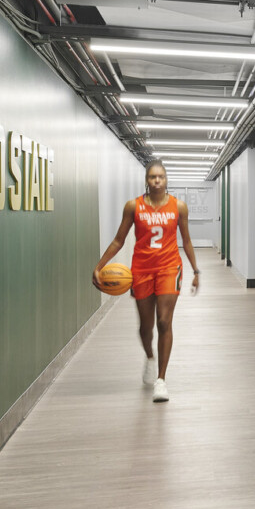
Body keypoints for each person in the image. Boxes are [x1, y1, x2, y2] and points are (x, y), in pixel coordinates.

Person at [92, 161, 200, 402]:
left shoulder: (178, 207)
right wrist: (99, 266)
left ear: (166, 180)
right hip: (140, 270)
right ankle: (150, 357)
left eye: (160, 176)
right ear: (146, 180)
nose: (157, 181)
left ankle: (161, 380)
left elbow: (188, 240)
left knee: (164, 321)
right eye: (152, 177)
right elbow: (119, 240)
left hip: (169, 268)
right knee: (145, 327)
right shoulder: (133, 206)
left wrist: (195, 270)